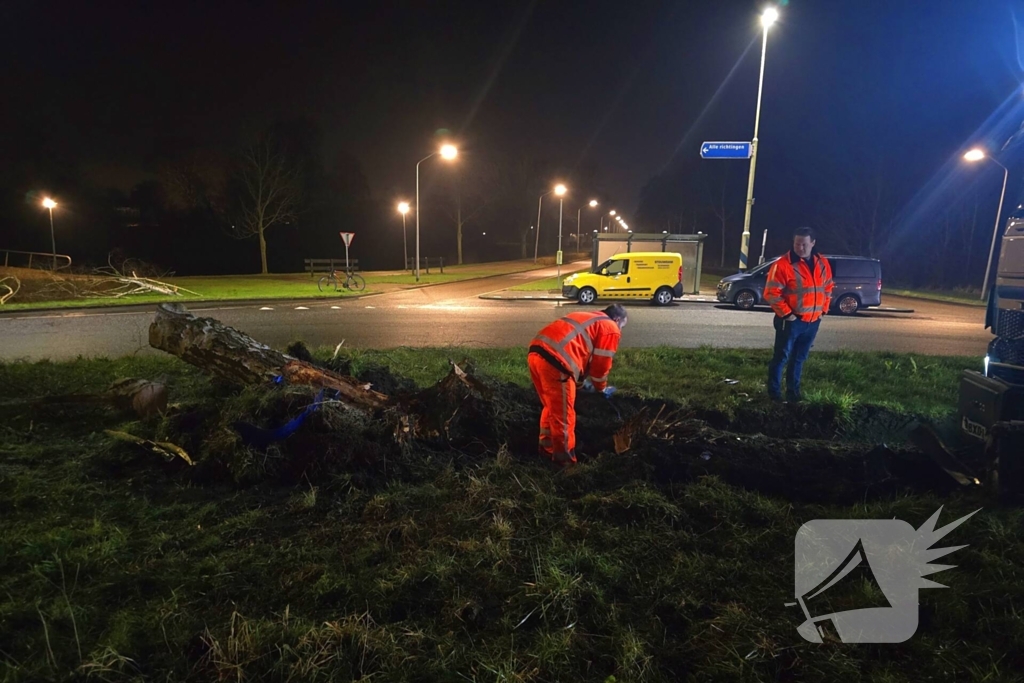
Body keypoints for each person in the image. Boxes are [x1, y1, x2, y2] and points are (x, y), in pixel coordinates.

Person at [527, 304, 627, 466]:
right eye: (622, 326)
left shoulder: (587, 317)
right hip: (557, 364)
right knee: (565, 418)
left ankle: (546, 450)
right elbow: (601, 365)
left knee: (551, 408)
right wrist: (600, 389)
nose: (620, 331)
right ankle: (565, 463)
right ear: (617, 319)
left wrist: (580, 384)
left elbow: (578, 351)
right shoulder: (610, 327)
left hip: (536, 353)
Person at [763, 227, 834, 402]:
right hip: (792, 321)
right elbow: (772, 293)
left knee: (799, 359)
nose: (800, 248)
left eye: (804, 244)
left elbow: (828, 287)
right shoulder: (782, 265)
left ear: (813, 243)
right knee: (781, 357)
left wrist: (823, 310)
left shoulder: (822, 263)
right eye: (796, 243)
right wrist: (788, 315)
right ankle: (774, 395)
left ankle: (793, 394)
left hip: (812, 321)